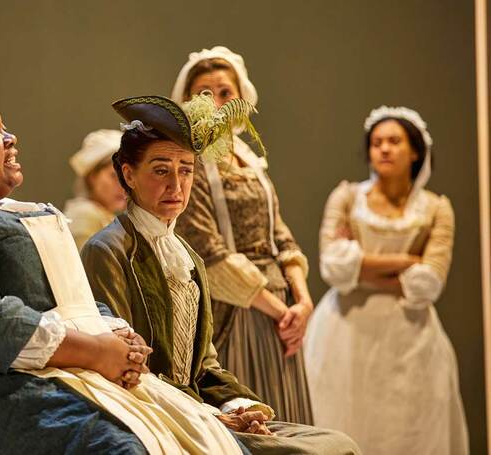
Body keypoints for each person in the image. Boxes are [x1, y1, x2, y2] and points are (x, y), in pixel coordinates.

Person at [0, 78, 260, 454]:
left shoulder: (13, 213)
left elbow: (71, 300)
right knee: (120, 447)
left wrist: (118, 334)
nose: (11, 139)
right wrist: (96, 351)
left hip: (48, 369)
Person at [82, 93, 361, 454]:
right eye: (161, 169)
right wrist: (206, 416)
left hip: (200, 411)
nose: (176, 185)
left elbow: (204, 366)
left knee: (335, 443)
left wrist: (238, 407)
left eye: (186, 170)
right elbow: (124, 369)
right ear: (129, 174)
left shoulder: (188, 258)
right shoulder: (109, 250)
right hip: (155, 418)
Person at [304, 106, 469, 454]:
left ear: (414, 151)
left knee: (406, 427)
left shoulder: (436, 208)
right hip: (344, 331)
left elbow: (428, 283)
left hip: (410, 336)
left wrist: (361, 267)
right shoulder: (348, 198)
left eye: (394, 141)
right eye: (376, 142)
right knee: (342, 417)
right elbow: (333, 267)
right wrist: (406, 261)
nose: (384, 149)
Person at [172, 46, 314, 424]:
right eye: (203, 93)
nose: (215, 102)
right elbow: (208, 251)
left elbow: (279, 233)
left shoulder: (250, 161)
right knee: (252, 416)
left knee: (289, 412)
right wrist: (280, 311)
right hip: (238, 309)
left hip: (279, 308)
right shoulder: (190, 163)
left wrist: (302, 299)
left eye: (224, 92)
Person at [64, 129, 127, 250]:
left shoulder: (103, 216)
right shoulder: (85, 216)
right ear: (92, 176)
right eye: (114, 176)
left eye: (127, 177)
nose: (123, 186)